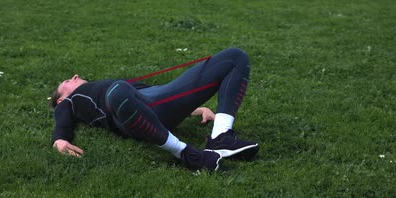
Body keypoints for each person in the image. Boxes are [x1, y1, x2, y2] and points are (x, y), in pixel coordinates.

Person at [49, 47, 259, 171]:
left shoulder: (112, 85)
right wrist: (60, 139)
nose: (74, 77)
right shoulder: (70, 101)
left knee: (235, 57)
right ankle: (185, 153)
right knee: (119, 90)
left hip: (155, 101)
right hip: (127, 114)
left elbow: (154, 93)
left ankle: (221, 135)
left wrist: (196, 109)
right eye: (67, 81)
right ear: (61, 99)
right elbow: (62, 118)